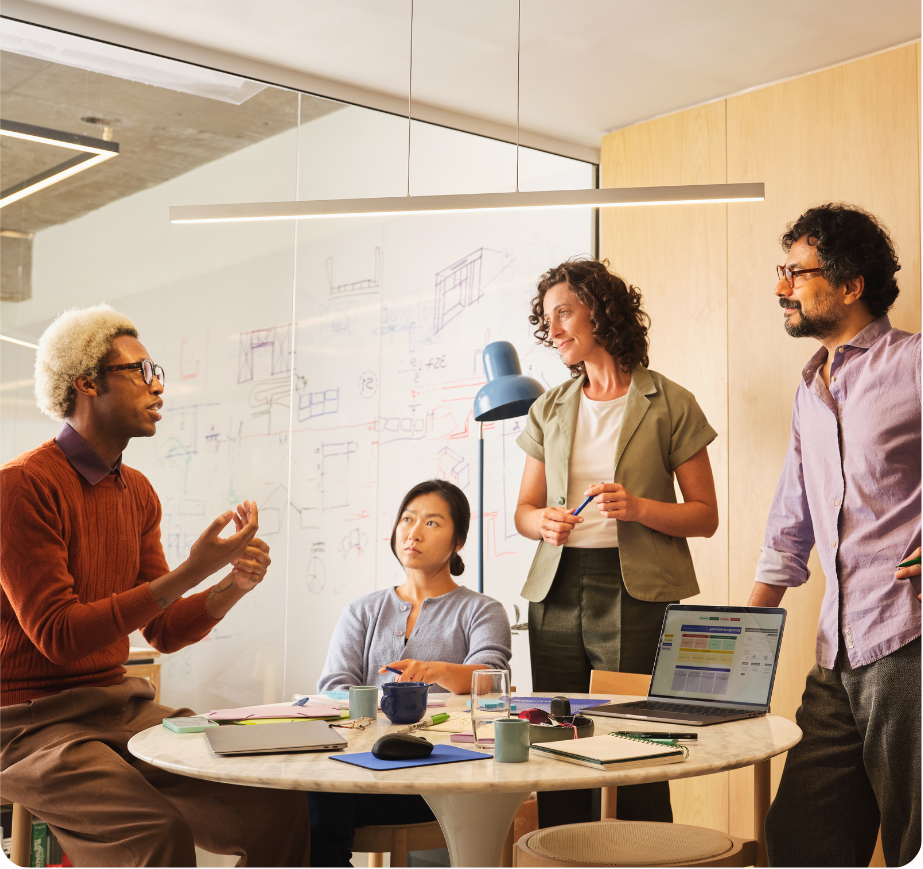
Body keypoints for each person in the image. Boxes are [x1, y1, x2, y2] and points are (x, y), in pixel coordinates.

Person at [0, 305, 311, 868]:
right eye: (140, 372)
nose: (158, 386)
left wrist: (229, 587)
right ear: (87, 383)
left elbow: (162, 630)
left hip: (119, 708)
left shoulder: (137, 491)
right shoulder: (22, 487)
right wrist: (192, 571)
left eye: (156, 371)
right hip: (27, 723)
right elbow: (59, 636)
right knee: (154, 834)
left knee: (277, 810)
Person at [514, 258, 719, 827]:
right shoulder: (549, 407)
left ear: (600, 314)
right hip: (554, 591)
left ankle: (646, 856)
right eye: (548, 317)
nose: (552, 330)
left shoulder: (671, 402)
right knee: (557, 740)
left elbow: (705, 517)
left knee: (635, 739)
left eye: (564, 313)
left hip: (638, 589)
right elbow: (524, 512)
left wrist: (639, 508)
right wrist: (545, 523)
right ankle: (562, 857)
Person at [747, 204, 921, 869]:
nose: (779, 286)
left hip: (908, 641)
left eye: (795, 271)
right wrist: (741, 631)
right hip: (835, 650)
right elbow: (789, 522)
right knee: (799, 834)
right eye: (780, 270)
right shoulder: (809, 389)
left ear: (849, 286)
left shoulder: (913, 362)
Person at [310, 478, 512, 866]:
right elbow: (333, 690)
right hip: (362, 773)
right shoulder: (361, 610)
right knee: (303, 798)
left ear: (458, 542)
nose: (414, 532)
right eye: (407, 519)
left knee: (315, 814)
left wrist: (433, 671)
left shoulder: (483, 610)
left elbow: (491, 682)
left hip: (441, 779)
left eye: (432, 523)